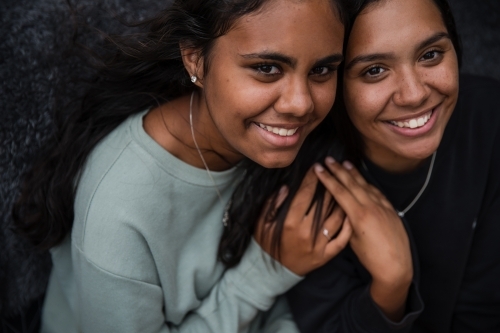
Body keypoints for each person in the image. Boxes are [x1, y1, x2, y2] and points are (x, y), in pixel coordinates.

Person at [12, 0, 353, 332]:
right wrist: (266, 270)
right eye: (266, 68)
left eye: (321, 70)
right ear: (195, 60)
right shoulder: (119, 208)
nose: (301, 103)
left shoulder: (294, 147)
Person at [281, 0, 500, 331]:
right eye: (374, 70)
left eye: (430, 55)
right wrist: (392, 285)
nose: (413, 95)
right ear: (333, 83)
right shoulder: (306, 176)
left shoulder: (491, 119)